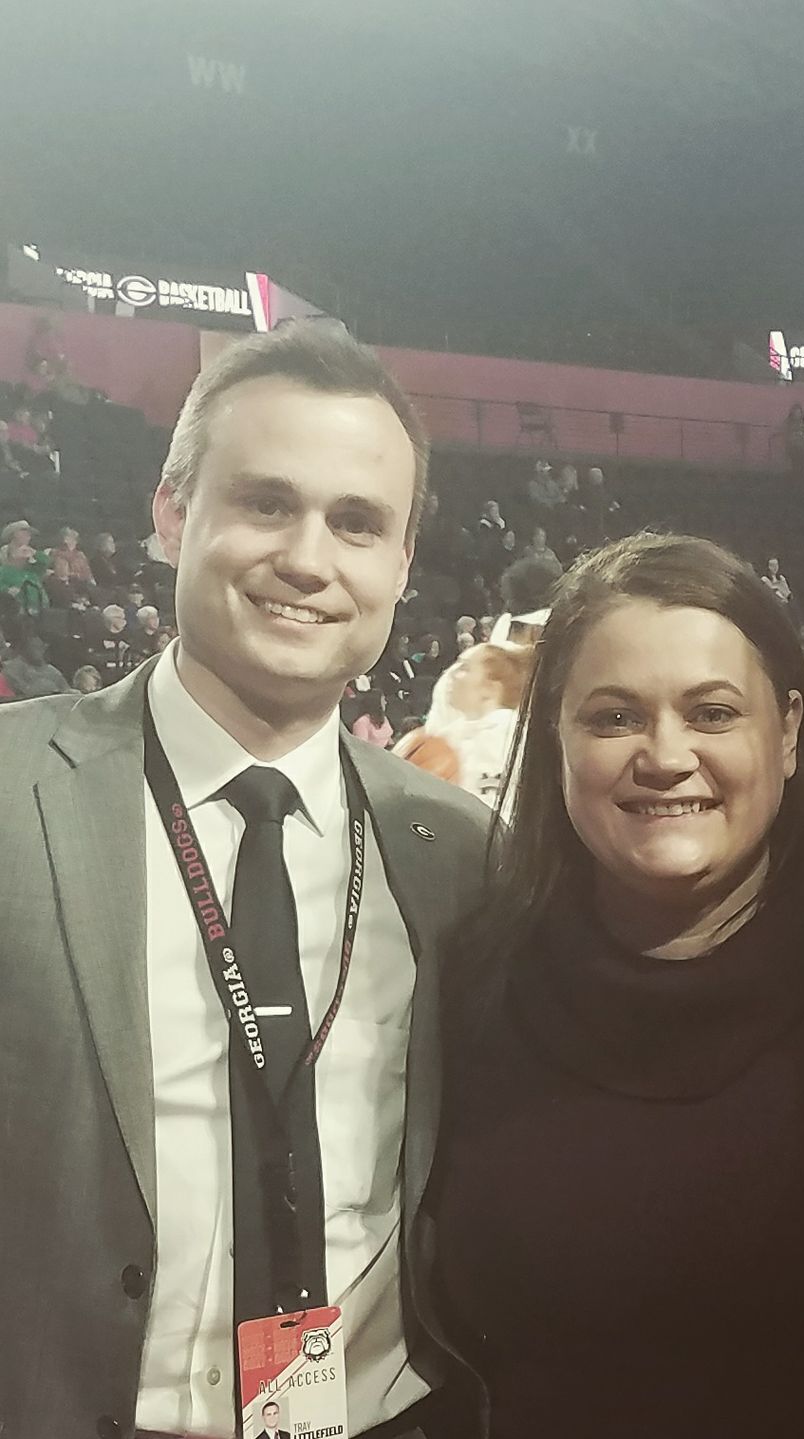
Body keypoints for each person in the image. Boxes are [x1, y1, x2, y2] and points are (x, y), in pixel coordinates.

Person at [0, 322, 491, 1439]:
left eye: (357, 522)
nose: (309, 559)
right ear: (173, 515)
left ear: (402, 564)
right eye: (267, 502)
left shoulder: (456, 847)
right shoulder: (12, 788)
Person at [427, 532, 804, 1439]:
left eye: (711, 712)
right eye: (614, 716)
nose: (664, 754)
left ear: (786, 734)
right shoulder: (471, 978)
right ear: (555, 739)